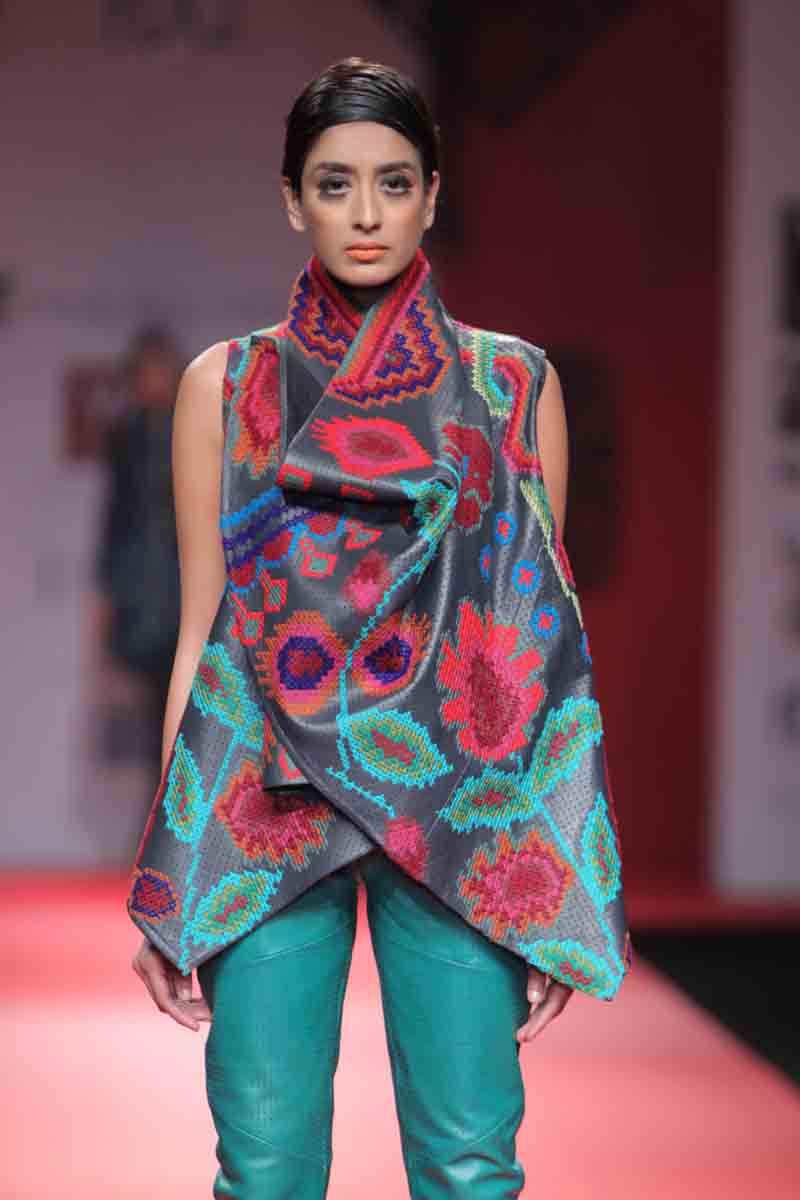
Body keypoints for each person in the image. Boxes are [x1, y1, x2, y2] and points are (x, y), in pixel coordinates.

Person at [129, 58, 630, 1199]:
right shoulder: (227, 385)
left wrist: (552, 871)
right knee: (263, 1170)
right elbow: (202, 631)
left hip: (455, 802)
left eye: (394, 183)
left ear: (432, 196)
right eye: (335, 183)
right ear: (290, 199)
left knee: (468, 1167)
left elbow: (541, 645)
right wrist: (173, 860)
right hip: (262, 797)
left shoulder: (512, 385)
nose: (366, 214)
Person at [93, 324, 183, 796]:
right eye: (146, 371)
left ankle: (173, 810)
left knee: (184, 711)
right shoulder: (126, 440)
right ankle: (158, 810)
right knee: (149, 714)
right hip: (141, 594)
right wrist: (105, 599)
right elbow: (114, 520)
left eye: (160, 370)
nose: (154, 380)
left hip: (181, 586)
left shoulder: (192, 428)